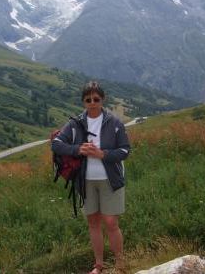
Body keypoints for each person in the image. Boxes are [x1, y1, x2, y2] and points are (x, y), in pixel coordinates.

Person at [51, 81, 131, 274]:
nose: (93, 102)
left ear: (102, 100)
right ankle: (99, 265)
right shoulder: (75, 123)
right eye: (88, 99)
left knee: (111, 222)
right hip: (85, 181)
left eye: (96, 99)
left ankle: (120, 265)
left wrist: (103, 154)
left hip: (109, 179)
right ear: (83, 102)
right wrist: (77, 149)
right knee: (93, 222)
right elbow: (56, 143)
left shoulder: (114, 123)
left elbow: (125, 150)